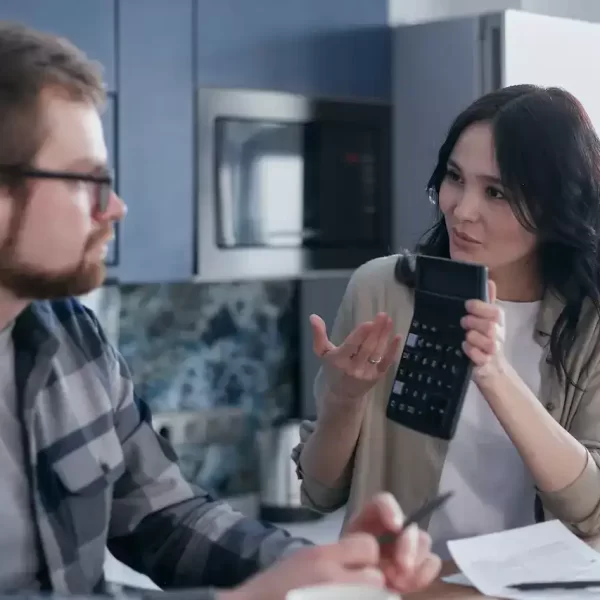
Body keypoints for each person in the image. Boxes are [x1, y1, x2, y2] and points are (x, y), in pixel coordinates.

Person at [0, 22, 442, 599]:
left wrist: (321, 567)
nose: (116, 208)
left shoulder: (74, 338)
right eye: (88, 180)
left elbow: (166, 516)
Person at [293, 84, 600, 560]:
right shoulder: (382, 290)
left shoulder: (590, 328)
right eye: (455, 178)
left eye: (496, 191)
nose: (461, 209)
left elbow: (590, 509)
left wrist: (495, 373)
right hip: (401, 590)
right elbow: (318, 492)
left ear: (557, 206)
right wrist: (343, 398)